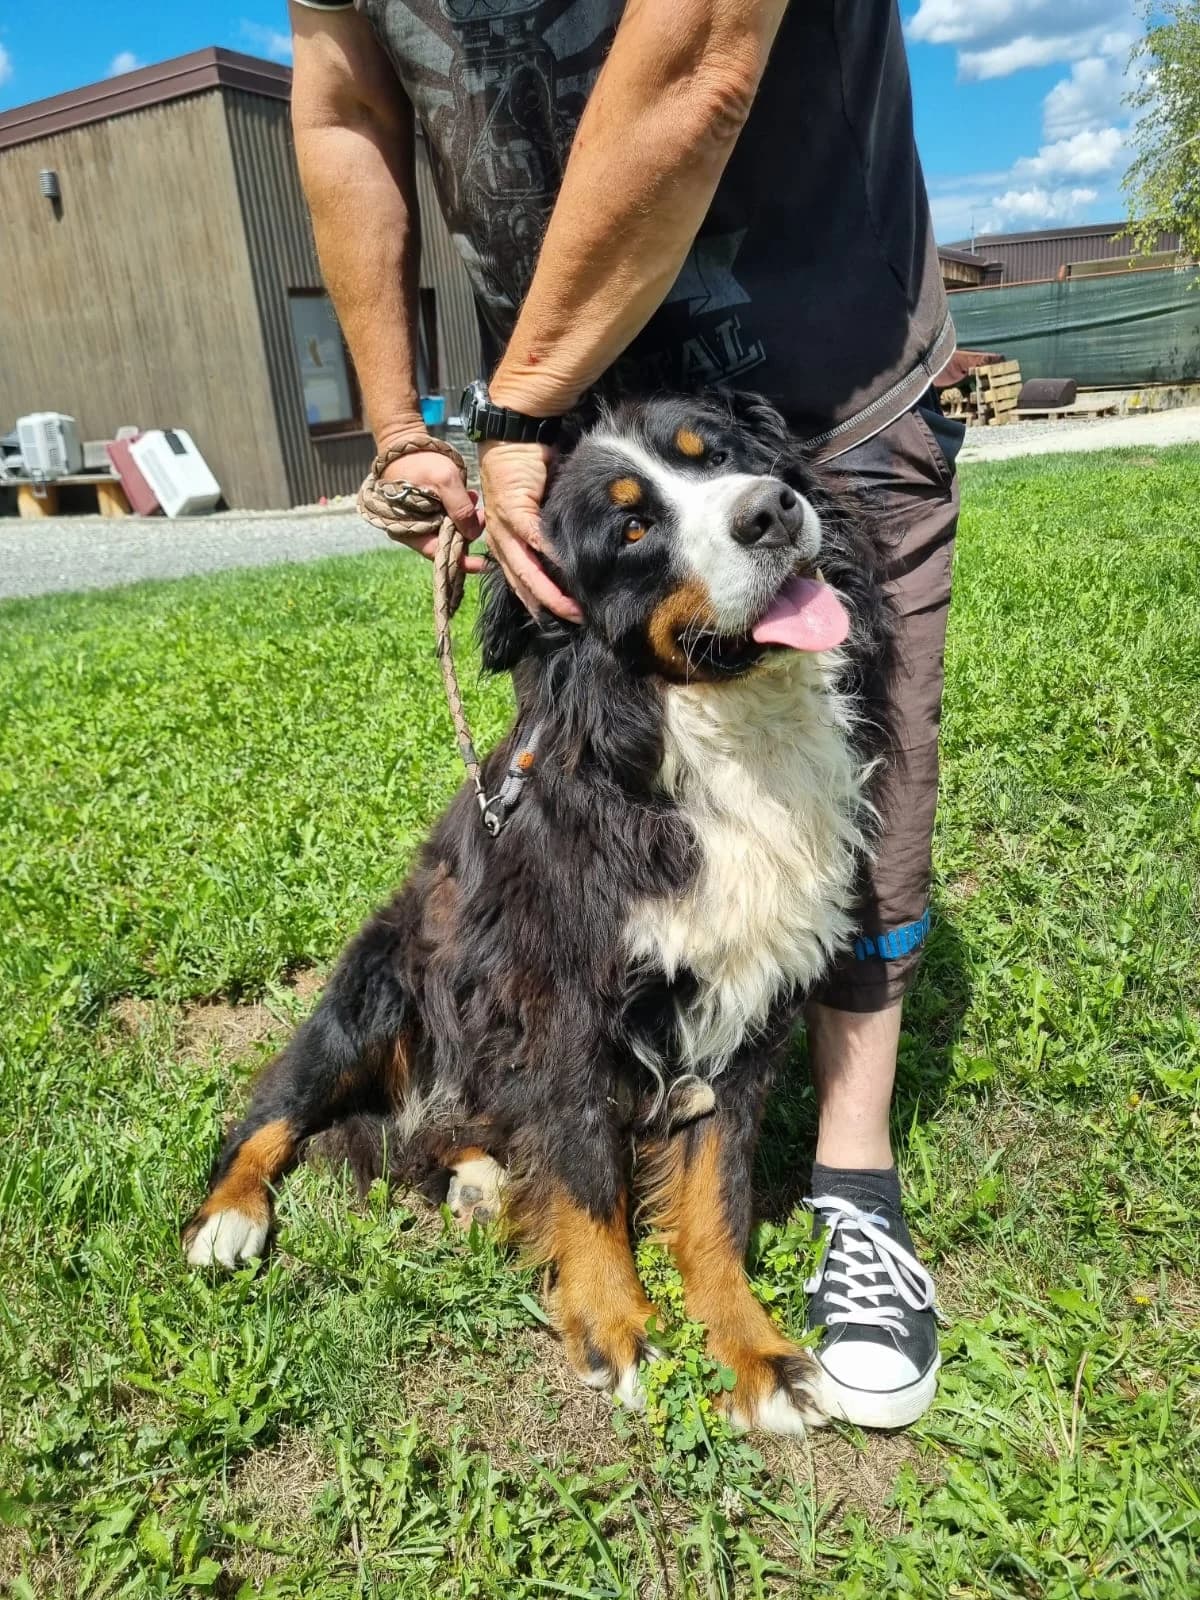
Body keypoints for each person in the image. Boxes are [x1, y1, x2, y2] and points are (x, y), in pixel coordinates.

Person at [287, 0, 962, 1430]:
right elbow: (343, 103)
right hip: (556, 405)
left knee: (852, 836)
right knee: (554, 952)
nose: (746, 511)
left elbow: (702, 55)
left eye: (727, 481)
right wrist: (409, 427)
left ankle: (845, 1183)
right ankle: (568, 1238)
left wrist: (514, 411)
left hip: (816, 342)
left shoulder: (763, 488)